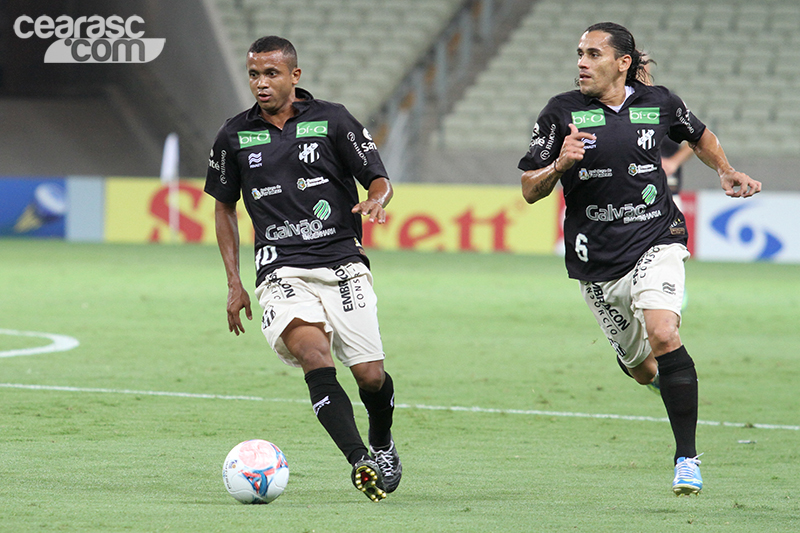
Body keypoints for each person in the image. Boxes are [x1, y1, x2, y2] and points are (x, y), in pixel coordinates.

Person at [518, 22, 761, 496]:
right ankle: (652, 375)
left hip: (657, 237)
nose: (581, 63)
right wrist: (559, 165)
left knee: (665, 332)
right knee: (643, 368)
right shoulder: (561, 112)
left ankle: (686, 459)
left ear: (623, 62)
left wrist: (726, 170)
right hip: (596, 261)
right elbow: (529, 189)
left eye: (592, 54)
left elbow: (700, 135)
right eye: (579, 54)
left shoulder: (660, 102)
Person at [204, 36, 401, 502]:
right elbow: (223, 209)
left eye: (271, 74)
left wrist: (377, 199)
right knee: (315, 355)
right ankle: (361, 461)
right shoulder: (234, 135)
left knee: (370, 375)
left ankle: (382, 442)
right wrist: (234, 283)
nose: (261, 83)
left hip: (342, 261)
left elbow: (378, 176)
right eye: (254, 74)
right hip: (280, 271)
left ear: (295, 76)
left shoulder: (333, 119)